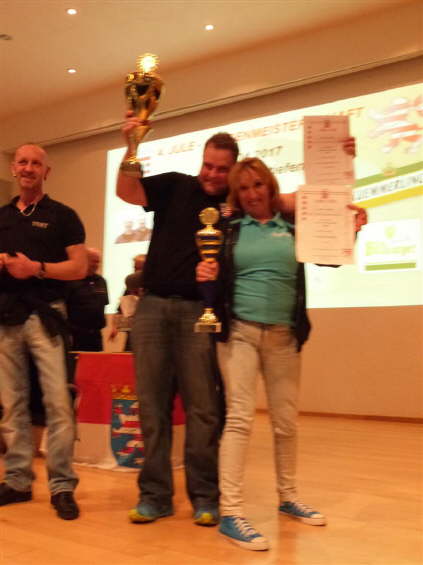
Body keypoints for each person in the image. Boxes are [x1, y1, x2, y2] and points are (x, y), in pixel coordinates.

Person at [116, 111, 365, 527]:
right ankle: (155, 496)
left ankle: (205, 497)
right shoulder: (175, 184)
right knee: (151, 407)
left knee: (204, 409)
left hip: (202, 313)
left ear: (233, 172)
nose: (212, 174)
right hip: (153, 307)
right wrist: (131, 145)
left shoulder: (236, 207)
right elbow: (127, 191)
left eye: (222, 169)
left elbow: (296, 200)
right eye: (208, 165)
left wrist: (337, 165)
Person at [196, 157, 366, 551]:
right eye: (243, 188)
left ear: (271, 187)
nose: (252, 194)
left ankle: (288, 497)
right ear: (236, 195)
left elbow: (330, 256)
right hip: (239, 334)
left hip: (284, 337)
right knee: (239, 420)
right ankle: (231, 513)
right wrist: (205, 276)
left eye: (258, 185)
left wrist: (351, 230)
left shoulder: (292, 228)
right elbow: (210, 273)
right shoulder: (228, 231)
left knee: (286, 423)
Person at [0, 143, 87, 520]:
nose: (28, 168)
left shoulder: (63, 216)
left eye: (36, 163)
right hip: (6, 318)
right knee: (12, 404)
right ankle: (18, 480)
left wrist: (35, 268)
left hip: (47, 316)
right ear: (14, 169)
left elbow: (79, 267)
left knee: (58, 403)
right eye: (22, 161)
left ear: (46, 172)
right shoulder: (1, 217)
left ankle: (62, 485)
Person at [66, 247, 109, 351]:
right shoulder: (71, 280)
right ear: (84, 260)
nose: (96, 265)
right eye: (93, 261)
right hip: (76, 335)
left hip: (96, 335)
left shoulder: (101, 281)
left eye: (98, 262)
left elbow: (103, 304)